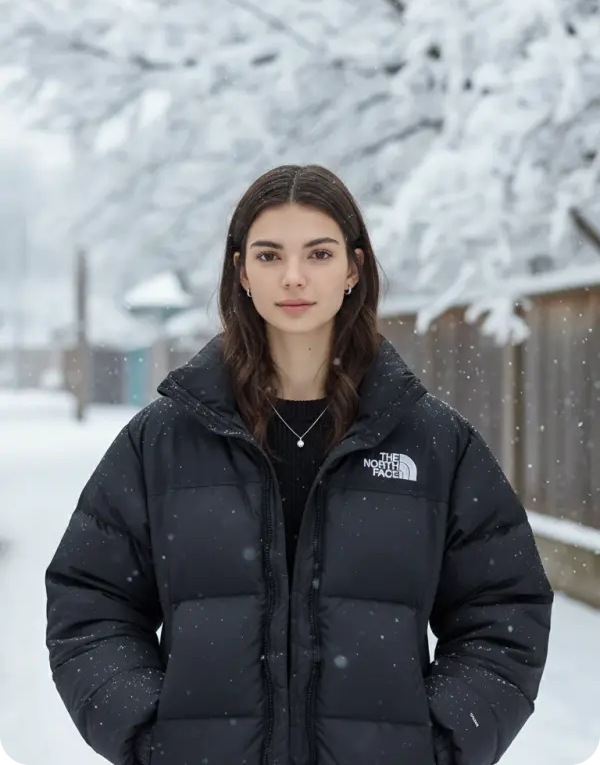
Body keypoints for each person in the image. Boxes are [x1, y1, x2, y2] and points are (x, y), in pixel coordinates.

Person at [45, 164, 553, 765]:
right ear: (240, 272)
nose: (292, 277)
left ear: (353, 268)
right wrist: (155, 734)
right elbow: (90, 604)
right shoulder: (164, 441)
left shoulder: (432, 443)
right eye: (268, 256)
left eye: (317, 253)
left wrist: (436, 741)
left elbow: (504, 611)